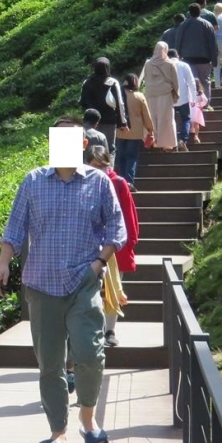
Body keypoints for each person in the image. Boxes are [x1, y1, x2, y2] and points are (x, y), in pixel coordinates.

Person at [0, 118, 127, 443]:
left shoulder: (98, 182)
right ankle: (58, 433)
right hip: (41, 285)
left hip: (83, 282)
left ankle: (88, 420)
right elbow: (14, 228)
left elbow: (117, 228)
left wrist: (98, 264)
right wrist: (3, 263)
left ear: (83, 145)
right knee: (50, 364)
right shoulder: (33, 181)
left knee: (90, 353)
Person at [85, 145, 138, 348]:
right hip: (89, 246)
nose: (99, 169)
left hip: (114, 248)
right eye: (94, 165)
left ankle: (110, 330)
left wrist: (129, 242)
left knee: (113, 290)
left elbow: (129, 215)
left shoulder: (118, 183)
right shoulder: (81, 183)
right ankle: (92, 331)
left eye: (102, 165)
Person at [114, 72, 153, 190]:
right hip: (135, 133)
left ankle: (120, 182)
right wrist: (150, 129)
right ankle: (129, 182)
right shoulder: (139, 96)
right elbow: (146, 115)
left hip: (120, 131)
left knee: (121, 157)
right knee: (131, 157)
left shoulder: (118, 95)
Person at [77, 56, 127, 146]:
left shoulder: (87, 82)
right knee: (109, 147)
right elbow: (120, 104)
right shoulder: (112, 82)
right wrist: (122, 123)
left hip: (90, 121)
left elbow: (82, 102)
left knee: (90, 147)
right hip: (109, 121)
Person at [175, 4, 217, 108]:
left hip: (188, 59)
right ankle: (206, 104)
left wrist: (178, 55)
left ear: (189, 12)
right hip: (204, 58)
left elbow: (178, 41)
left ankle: (193, 104)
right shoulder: (207, 24)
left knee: (191, 82)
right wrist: (214, 60)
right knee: (205, 81)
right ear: (200, 12)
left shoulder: (183, 25)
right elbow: (212, 43)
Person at [141, 42, 179, 152]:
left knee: (151, 118)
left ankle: (153, 141)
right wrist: (176, 95)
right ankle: (167, 144)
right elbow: (175, 81)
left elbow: (146, 78)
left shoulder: (148, 64)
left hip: (150, 94)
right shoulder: (170, 63)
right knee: (166, 119)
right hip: (165, 94)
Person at [167, 48, 197, 151]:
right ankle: (182, 140)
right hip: (183, 98)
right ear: (178, 56)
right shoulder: (184, 65)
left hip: (169, 99)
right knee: (186, 119)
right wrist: (193, 97)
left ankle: (172, 141)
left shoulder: (165, 66)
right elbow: (191, 82)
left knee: (171, 120)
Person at [189, 78, 207, 145]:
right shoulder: (200, 92)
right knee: (196, 123)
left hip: (190, 107)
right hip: (197, 108)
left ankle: (191, 129)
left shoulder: (190, 91)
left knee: (190, 120)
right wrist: (200, 105)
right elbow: (205, 100)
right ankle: (196, 136)